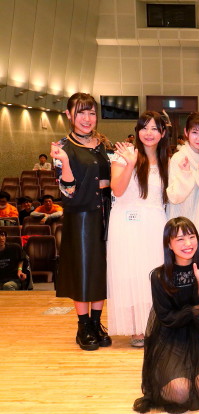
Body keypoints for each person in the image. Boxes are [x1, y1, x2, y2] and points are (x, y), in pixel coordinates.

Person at [133, 217, 199, 414]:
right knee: (180, 391)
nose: (188, 243)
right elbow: (167, 318)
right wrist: (194, 310)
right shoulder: (159, 276)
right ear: (169, 245)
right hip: (170, 337)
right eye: (180, 239)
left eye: (191, 237)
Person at [50, 92, 112, 350]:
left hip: (106, 214)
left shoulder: (102, 144)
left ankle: (96, 322)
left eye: (91, 113)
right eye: (81, 113)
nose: (87, 118)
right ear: (69, 115)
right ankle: (83, 325)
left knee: (101, 270)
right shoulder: (62, 147)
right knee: (84, 269)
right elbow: (67, 191)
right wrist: (64, 162)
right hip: (81, 217)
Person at [108, 111, 169, 347]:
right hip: (126, 223)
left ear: (163, 133)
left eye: (154, 128)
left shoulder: (167, 160)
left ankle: (154, 324)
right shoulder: (123, 155)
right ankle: (136, 328)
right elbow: (117, 189)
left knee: (152, 273)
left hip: (155, 222)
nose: (149, 133)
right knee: (129, 273)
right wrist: (131, 163)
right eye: (144, 127)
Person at [166, 112, 199, 253]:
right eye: (195, 132)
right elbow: (174, 197)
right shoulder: (179, 158)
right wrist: (186, 175)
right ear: (186, 132)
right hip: (183, 217)